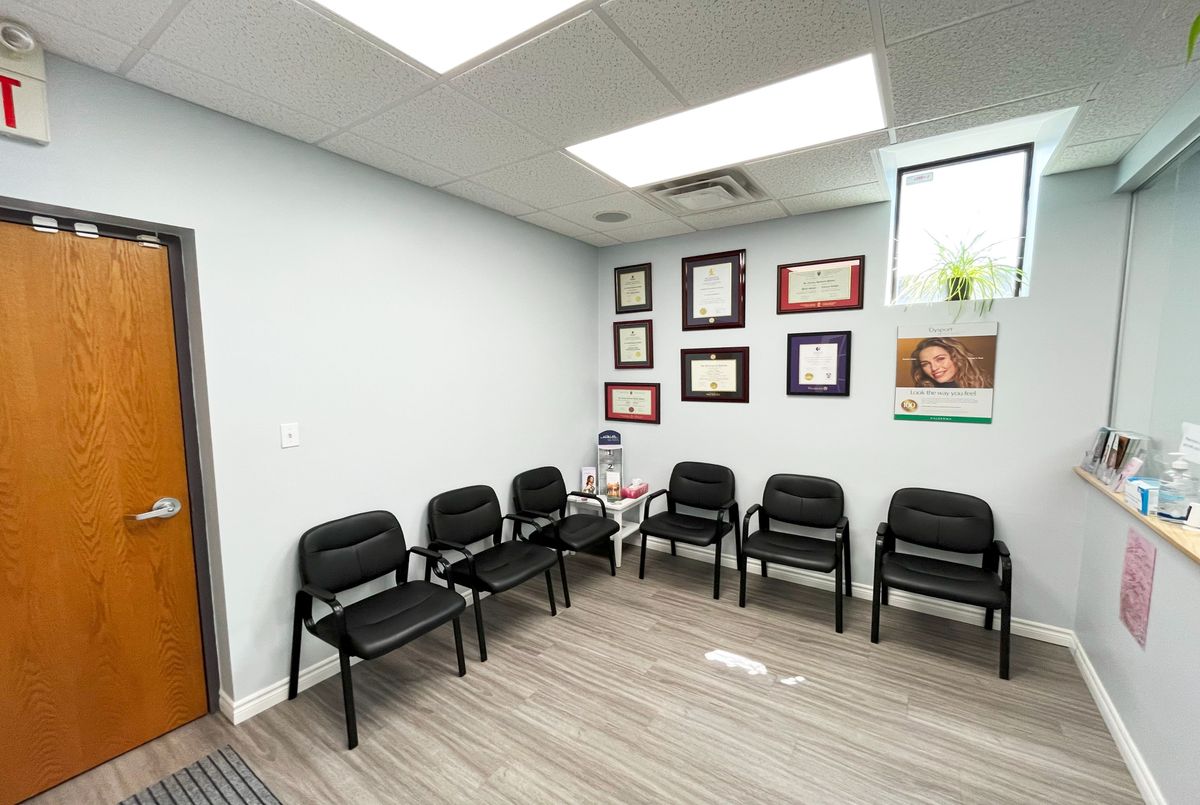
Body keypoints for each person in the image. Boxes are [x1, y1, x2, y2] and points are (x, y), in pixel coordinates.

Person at [909, 337, 992, 388]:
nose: (934, 368)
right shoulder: (923, 392)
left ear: (957, 358)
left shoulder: (983, 386)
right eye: (925, 364)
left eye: (940, 359)